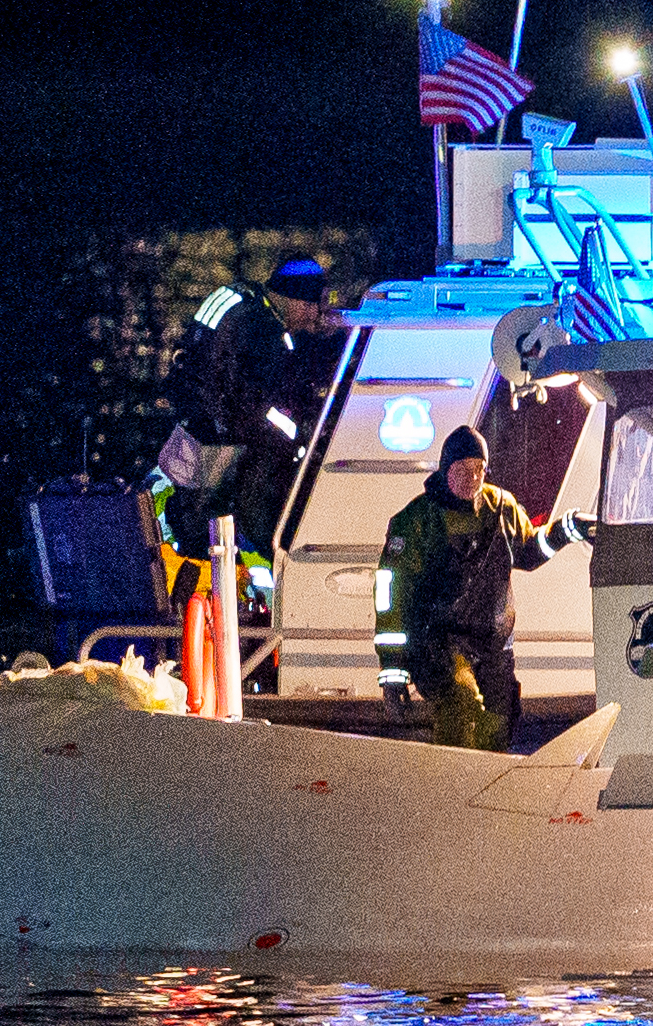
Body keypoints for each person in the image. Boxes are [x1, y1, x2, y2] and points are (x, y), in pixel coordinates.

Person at [375, 424, 578, 751]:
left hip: (493, 647)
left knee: (500, 724)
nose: (472, 478)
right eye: (462, 470)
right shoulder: (415, 521)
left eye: (479, 470)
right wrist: (393, 670)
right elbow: (391, 599)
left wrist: (565, 531)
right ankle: (454, 790)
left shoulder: (502, 508)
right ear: (445, 470)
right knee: (462, 703)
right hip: (438, 645)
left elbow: (527, 553)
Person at [162, 254, 345, 556]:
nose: (316, 316)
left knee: (195, 528)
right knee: (221, 533)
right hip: (221, 449)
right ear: (297, 300)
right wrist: (299, 439)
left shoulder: (244, 305)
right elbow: (259, 407)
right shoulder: (261, 331)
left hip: (197, 436)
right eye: (315, 306)